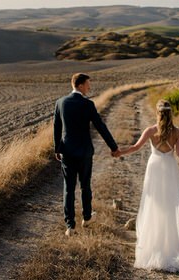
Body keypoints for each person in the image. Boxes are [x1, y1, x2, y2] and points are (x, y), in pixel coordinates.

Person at [117, 99, 179, 272]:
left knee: (153, 204)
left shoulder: (150, 131)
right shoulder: (177, 132)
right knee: (170, 206)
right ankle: (169, 246)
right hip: (169, 168)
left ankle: (152, 245)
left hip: (154, 167)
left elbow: (135, 147)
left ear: (157, 113)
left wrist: (119, 152)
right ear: (171, 114)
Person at [53, 72, 120, 236]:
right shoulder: (88, 104)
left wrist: (57, 149)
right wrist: (113, 147)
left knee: (68, 188)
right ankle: (87, 217)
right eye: (88, 84)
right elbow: (101, 127)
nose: (90, 87)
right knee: (85, 185)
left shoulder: (60, 103)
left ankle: (70, 226)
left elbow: (56, 128)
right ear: (80, 85)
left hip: (67, 151)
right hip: (84, 152)